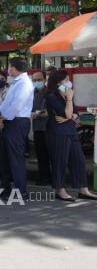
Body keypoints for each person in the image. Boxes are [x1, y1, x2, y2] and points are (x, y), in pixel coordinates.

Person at [45, 70, 97, 201]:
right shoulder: (52, 96)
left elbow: (75, 115)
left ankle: (83, 190)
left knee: (79, 160)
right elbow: (68, 114)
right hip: (57, 133)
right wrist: (68, 105)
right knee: (60, 161)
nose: (69, 82)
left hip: (71, 131)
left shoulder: (68, 95)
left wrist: (69, 114)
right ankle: (60, 190)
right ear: (58, 82)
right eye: (66, 80)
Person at [0, 57, 34, 197]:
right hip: (10, 121)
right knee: (6, 158)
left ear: (14, 67)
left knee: (15, 158)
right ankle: (6, 189)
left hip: (17, 122)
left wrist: (2, 117)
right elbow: (7, 103)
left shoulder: (24, 83)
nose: (8, 70)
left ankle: (21, 191)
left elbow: (17, 105)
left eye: (9, 67)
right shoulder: (16, 82)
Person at [31, 71, 52, 186]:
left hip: (49, 127)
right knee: (41, 155)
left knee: (52, 155)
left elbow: (56, 108)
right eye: (34, 80)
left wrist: (46, 112)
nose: (37, 82)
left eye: (39, 79)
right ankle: (44, 178)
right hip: (37, 128)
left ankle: (55, 179)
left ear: (45, 79)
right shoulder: (31, 93)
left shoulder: (51, 92)